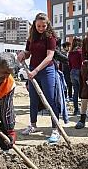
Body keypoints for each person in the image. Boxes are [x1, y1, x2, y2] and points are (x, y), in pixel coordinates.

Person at [17, 12, 61, 143]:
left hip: (47, 71)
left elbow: (49, 57)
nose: (41, 28)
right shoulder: (31, 37)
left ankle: (55, 129)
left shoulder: (50, 37)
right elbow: (29, 53)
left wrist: (35, 70)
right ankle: (33, 125)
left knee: (50, 99)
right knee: (33, 99)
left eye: (43, 26)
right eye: (39, 26)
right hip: (33, 71)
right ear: (35, 25)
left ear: (47, 25)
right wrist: (22, 54)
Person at [68, 37, 82, 116]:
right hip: (80, 72)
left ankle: (76, 110)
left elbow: (69, 64)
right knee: (83, 92)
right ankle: (84, 109)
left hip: (72, 71)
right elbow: (82, 64)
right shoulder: (80, 52)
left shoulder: (70, 53)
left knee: (75, 92)